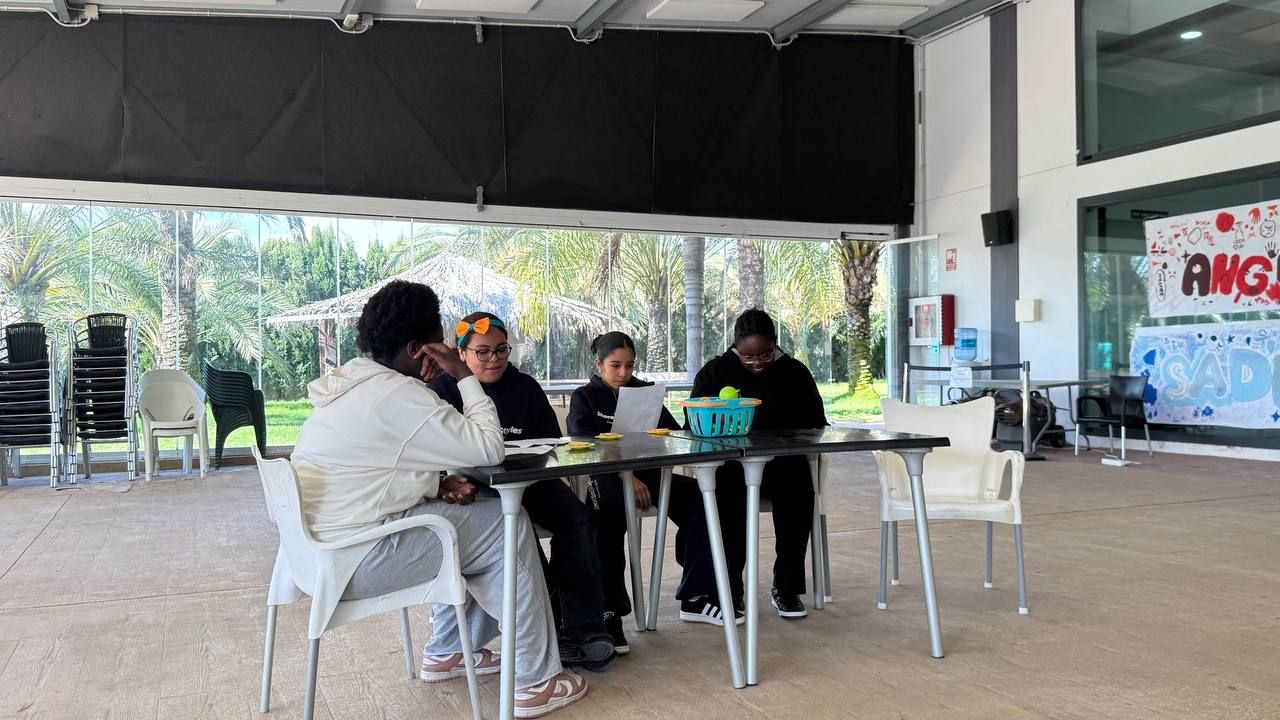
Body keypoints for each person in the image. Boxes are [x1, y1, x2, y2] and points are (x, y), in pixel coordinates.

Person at [289, 280, 586, 718]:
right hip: (358, 560)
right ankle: (535, 680)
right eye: (439, 342)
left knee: (471, 520)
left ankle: (448, 650)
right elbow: (489, 449)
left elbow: (372, 467)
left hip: (314, 551)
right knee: (505, 525)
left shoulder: (347, 385)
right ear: (418, 349)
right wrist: (463, 376)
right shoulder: (400, 394)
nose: (445, 350)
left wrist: (434, 485)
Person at [428, 311, 615, 669]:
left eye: (501, 350)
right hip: (477, 489)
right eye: (483, 352)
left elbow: (551, 445)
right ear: (460, 353)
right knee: (518, 536)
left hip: (533, 482)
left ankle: (586, 629)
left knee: (579, 520)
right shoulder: (441, 391)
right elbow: (432, 453)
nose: (494, 359)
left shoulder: (525, 387)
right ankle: (548, 631)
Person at [568, 331, 739, 654]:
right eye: (615, 365)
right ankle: (609, 610)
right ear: (599, 365)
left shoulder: (644, 392)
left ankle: (696, 595)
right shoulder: (585, 397)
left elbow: (673, 433)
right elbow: (583, 444)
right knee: (605, 517)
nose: (624, 373)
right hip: (607, 476)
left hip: (651, 476)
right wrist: (626, 475)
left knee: (703, 500)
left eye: (629, 365)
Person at [689, 308, 828, 619]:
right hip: (732, 467)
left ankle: (787, 588)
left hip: (783, 466)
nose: (757, 363)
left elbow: (816, 423)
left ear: (775, 344)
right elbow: (695, 422)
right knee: (727, 502)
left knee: (799, 494)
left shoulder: (795, 372)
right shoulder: (715, 372)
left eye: (764, 354)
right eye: (748, 356)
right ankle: (730, 590)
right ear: (736, 347)